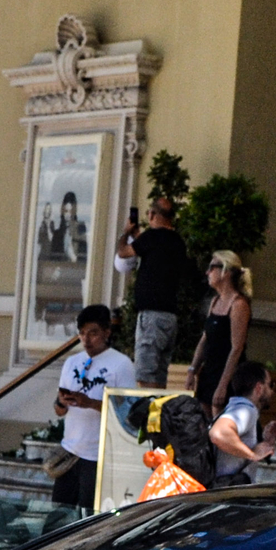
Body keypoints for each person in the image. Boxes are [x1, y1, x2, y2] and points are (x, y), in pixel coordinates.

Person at [53, 304, 136, 510]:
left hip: (98, 455)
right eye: (82, 334)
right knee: (58, 516)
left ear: (107, 332)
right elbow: (59, 410)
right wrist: (61, 403)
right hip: (70, 451)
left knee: (88, 517)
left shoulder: (121, 364)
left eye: (93, 333)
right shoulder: (72, 362)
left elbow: (128, 413)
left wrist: (90, 403)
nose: (86, 340)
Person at [116, 196, 191, 385]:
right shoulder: (177, 242)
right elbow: (152, 246)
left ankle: (148, 412)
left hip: (151, 316)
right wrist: (139, 235)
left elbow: (123, 252)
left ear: (152, 214)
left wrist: (126, 233)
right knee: (159, 375)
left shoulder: (151, 237)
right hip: (169, 317)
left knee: (145, 375)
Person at [192, 253, 252, 410]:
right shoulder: (215, 301)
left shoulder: (238, 305)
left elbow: (236, 348)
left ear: (226, 271)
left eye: (212, 268)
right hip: (209, 370)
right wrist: (193, 369)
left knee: (219, 420)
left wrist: (223, 385)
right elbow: (205, 338)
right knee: (204, 421)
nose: (208, 272)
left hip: (226, 373)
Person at [210, 360, 276, 487]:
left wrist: (264, 441)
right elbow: (218, 433)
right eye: (271, 385)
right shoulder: (245, 410)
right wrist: (253, 455)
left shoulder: (233, 407)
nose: (272, 392)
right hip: (227, 493)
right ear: (259, 388)